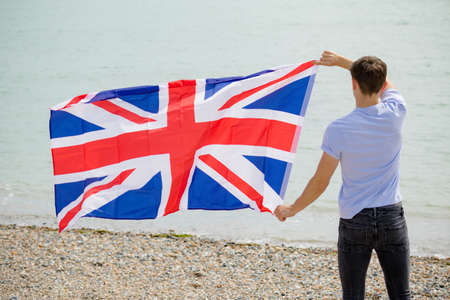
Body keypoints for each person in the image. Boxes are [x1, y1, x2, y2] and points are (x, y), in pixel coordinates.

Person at [274, 51, 410, 299]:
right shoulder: (397, 112)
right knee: (401, 293)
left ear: (354, 84)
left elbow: (320, 181)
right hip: (391, 216)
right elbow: (386, 82)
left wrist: (291, 209)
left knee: (353, 295)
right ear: (380, 86)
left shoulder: (339, 129)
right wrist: (343, 63)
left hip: (355, 219)